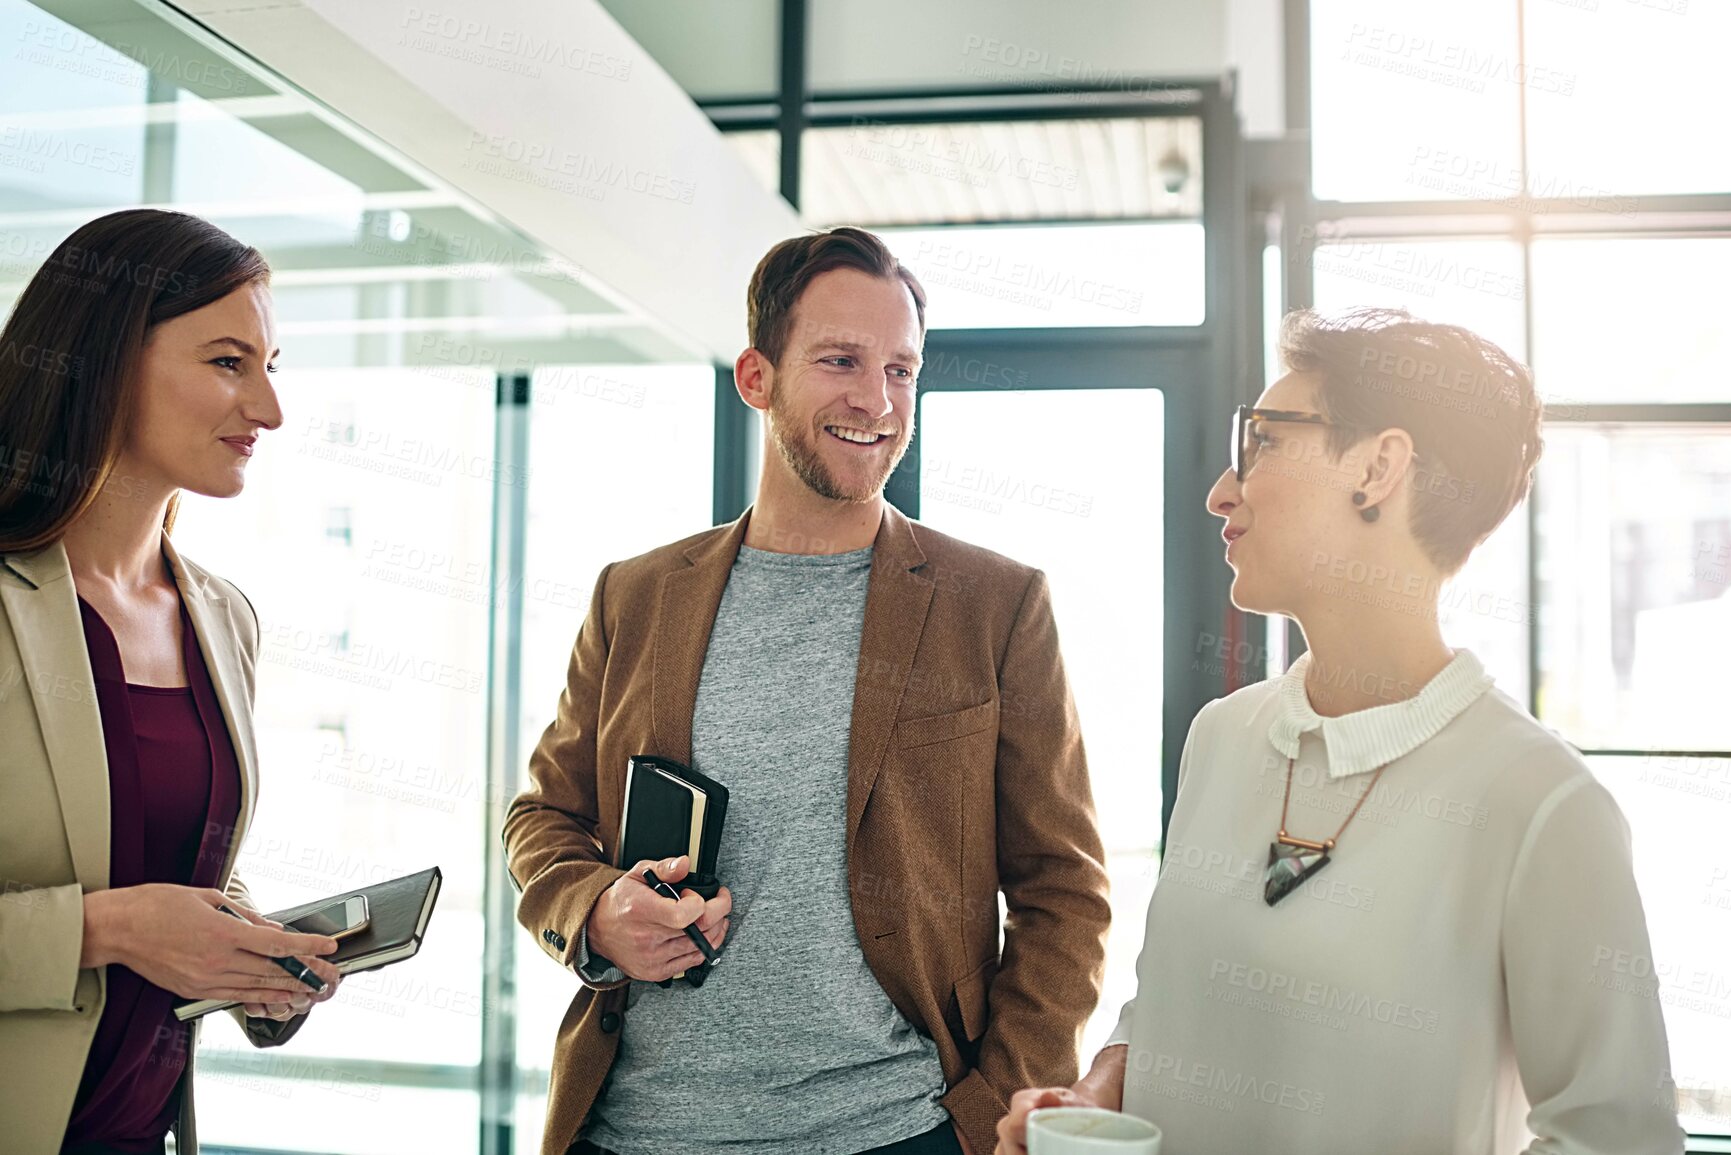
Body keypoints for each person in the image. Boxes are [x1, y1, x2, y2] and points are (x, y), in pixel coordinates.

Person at [996, 308, 1684, 1155]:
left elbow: (1616, 1140)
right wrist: (1101, 1087)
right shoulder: (1221, 736)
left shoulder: (1541, 802)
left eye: (1266, 440)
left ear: (1376, 468)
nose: (1222, 489)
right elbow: (1172, 998)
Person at [504, 226, 1111, 1155]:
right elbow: (545, 815)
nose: (877, 400)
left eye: (901, 369)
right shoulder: (636, 594)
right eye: (840, 361)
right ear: (756, 378)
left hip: (895, 1133)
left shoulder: (995, 604)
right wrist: (590, 910)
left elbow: (1063, 889)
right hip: (630, 1131)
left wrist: (989, 1115)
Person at [0, 208, 344, 1155]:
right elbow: (121, 914)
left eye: (270, 367)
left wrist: (249, 953)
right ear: (102, 360)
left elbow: (179, 862)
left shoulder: (221, 617)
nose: (267, 410)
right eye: (228, 363)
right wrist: (101, 931)